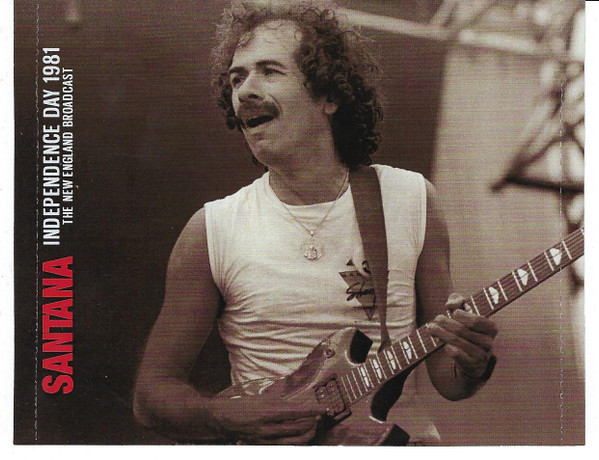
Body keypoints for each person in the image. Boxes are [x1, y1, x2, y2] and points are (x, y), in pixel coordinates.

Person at [133, 1, 498, 445]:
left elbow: (450, 380)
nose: (245, 90)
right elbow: (151, 396)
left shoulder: (411, 199)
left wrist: (472, 360)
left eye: (269, 71)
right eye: (237, 78)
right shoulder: (212, 229)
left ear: (329, 96)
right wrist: (223, 415)